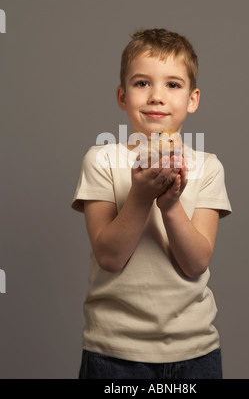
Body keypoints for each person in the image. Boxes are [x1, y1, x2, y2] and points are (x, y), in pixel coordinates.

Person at [71, 28, 232, 379]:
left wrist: (171, 205)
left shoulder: (207, 166)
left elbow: (195, 263)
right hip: (113, 350)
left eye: (172, 85)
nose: (157, 96)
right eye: (142, 83)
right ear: (122, 96)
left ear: (193, 99)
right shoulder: (101, 160)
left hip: (195, 351)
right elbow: (110, 257)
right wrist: (141, 197)